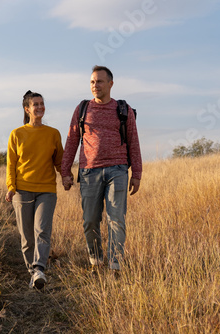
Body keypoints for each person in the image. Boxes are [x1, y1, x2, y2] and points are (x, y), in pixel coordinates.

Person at [61, 65, 142, 274]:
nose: (95, 86)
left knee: (116, 218)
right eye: (92, 82)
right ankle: (96, 261)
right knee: (89, 220)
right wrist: (65, 171)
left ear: (110, 84)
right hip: (89, 172)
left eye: (99, 81)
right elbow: (71, 141)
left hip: (118, 170)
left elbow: (133, 141)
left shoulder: (123, 109)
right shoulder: (82, 109)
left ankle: (115, 265)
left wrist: (137, 174)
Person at [6, 90, 64, 289]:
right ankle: (33, 273)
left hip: (47, 190)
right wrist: (11, 187)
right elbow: (11, 164)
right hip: (22, 191)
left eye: (42, 103)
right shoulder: (17, 134)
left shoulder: (53, 133)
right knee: (27, 235)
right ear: (27, 109)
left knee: (42, 230)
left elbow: (59, 161)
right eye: (35, 104)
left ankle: (39, 268)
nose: (40, 107)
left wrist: (66, 176)